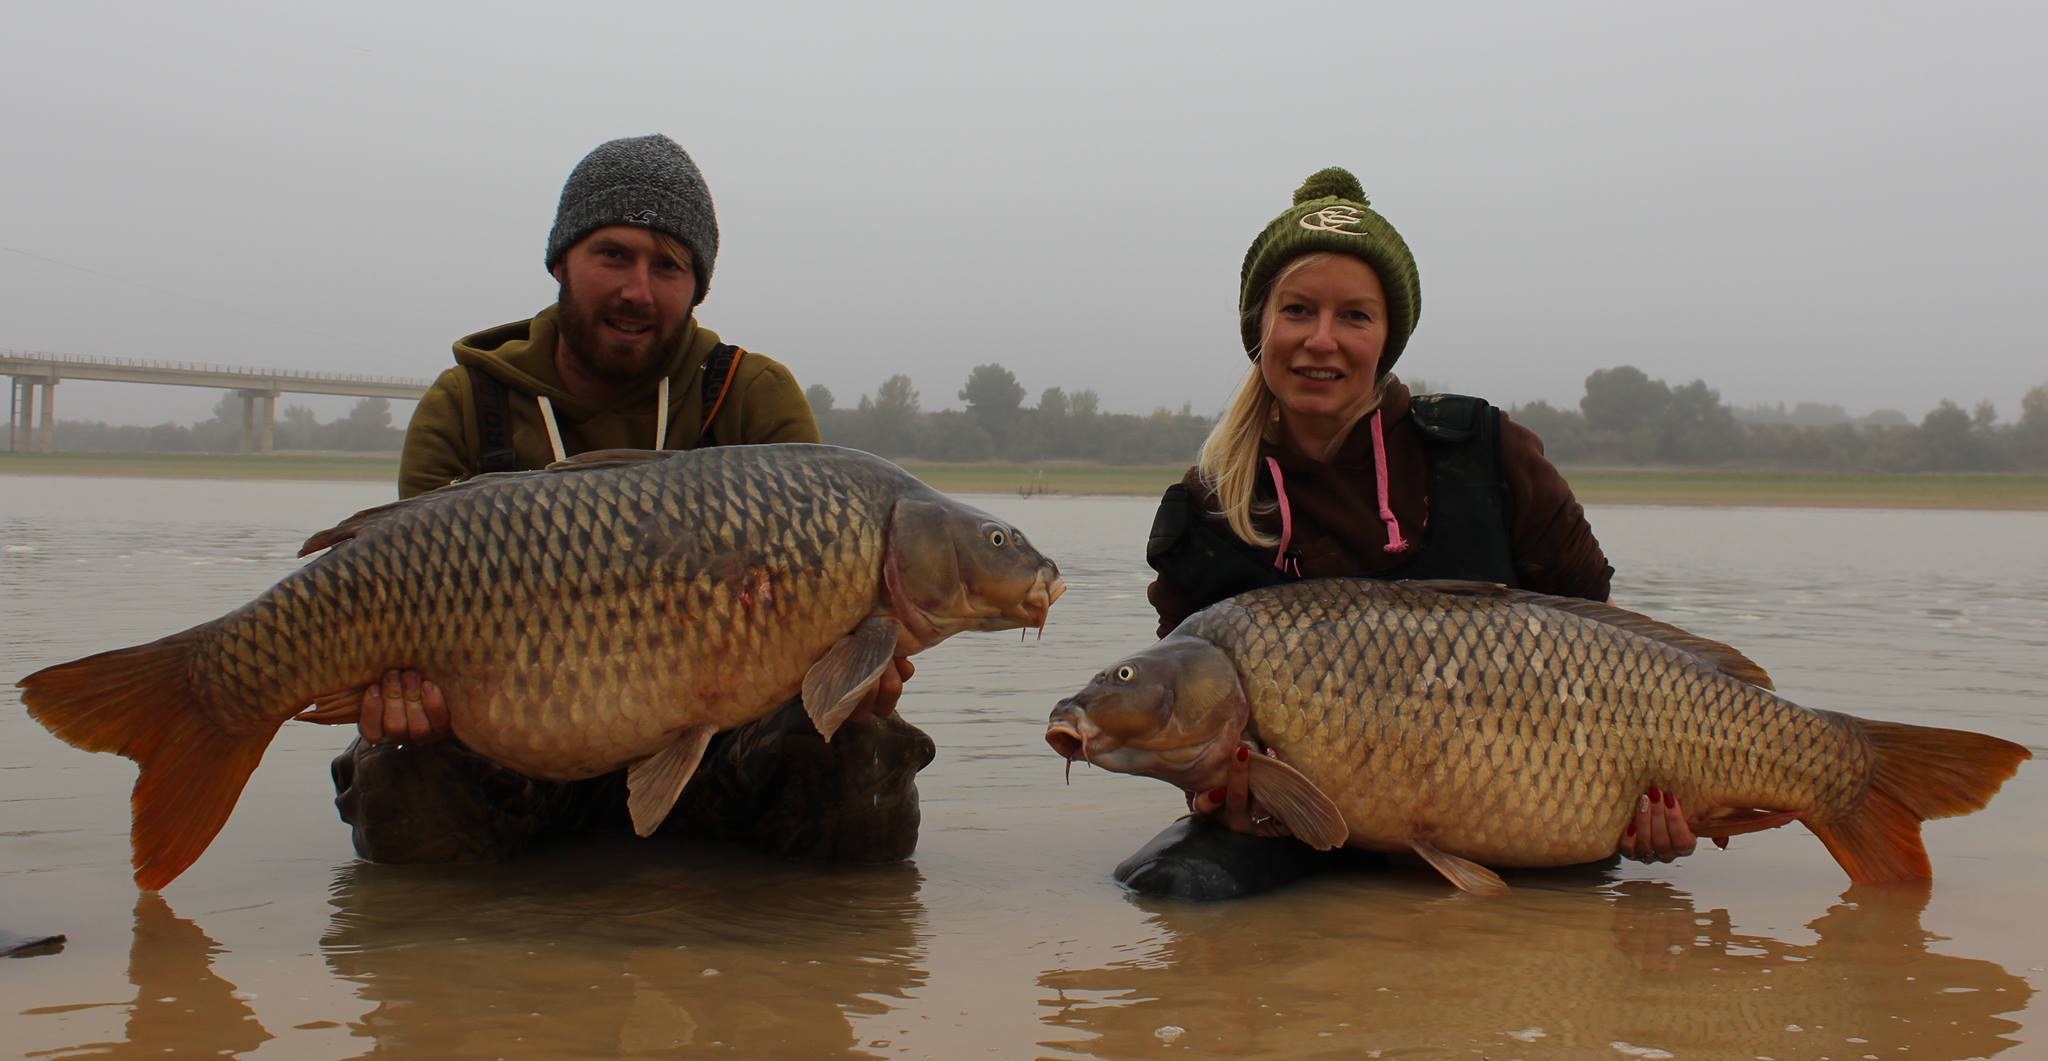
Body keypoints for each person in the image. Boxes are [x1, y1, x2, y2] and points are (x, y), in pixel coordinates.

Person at [325, 134, 930, 865]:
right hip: (516, 743)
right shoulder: (466, 406)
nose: (637, 290)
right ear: (561, 260)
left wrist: (855, 681)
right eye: (612, 254)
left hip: (719, 746)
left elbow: (825, 648)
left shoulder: (751, 397)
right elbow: (404, 601)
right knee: (398, 776)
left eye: (667, 265)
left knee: (860, 759)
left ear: (696, 285)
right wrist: (404, 707)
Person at [1125, 167, 1709, 900]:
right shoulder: (1204, 506)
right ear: (1260, 327)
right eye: (1298, 310)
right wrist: (1216, 794)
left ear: (1388, 336)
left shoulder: (1486, 451)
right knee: (1169, 887)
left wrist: (1656, 802)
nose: (1322, 341)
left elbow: (1601, 635)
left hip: (1519, 811)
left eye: (1356, 317)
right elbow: (1190, 715)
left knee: (1570, 904)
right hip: (1304, 830)